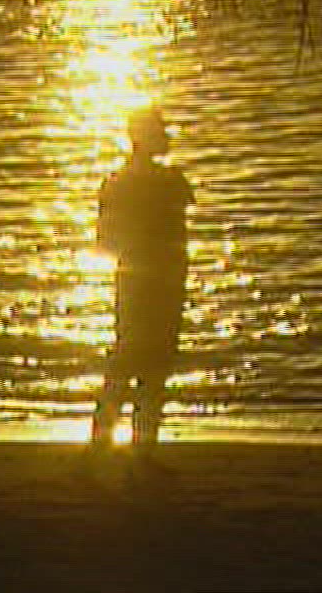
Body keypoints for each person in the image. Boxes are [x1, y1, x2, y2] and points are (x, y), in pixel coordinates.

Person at [89, 106, 195, 459]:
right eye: (160, 131)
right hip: (162, 277)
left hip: (134, 277)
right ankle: (141, 444)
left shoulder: (116, 182)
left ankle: (105, 439)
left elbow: (105, 242)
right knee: (153, 362)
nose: (167, 137)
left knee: (127, 356)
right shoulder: (170, 181)